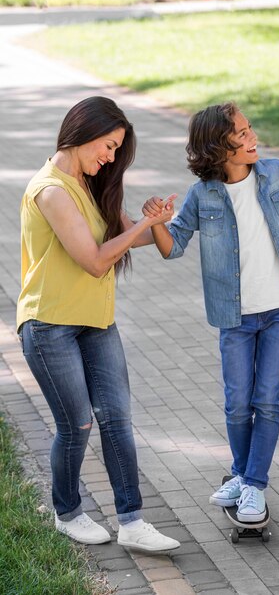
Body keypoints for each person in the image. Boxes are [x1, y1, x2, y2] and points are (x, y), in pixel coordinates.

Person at [143, 102, 279, 521]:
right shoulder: (202, 195)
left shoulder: (277, 174)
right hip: (235, 317)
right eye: (242, 134)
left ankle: (252, 485)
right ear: (218, 147)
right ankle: (244, 477)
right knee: (235, 403)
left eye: (250, 130)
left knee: (266, 400)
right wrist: (158, 221)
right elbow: (172, 248)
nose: (253, 138)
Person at [17, 96, 180, 551]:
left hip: (95, 322)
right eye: (107, 147)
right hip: (49, 326)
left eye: (115, 151)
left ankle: (132, 522)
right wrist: (135, 229)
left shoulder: (90, 184)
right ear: (83, 132)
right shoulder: (50, 190)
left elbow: (137, 235)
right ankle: (67, 511)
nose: (109, 158)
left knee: (117, 418)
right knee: (78, 425)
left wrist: (165, 220)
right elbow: (93, 260)